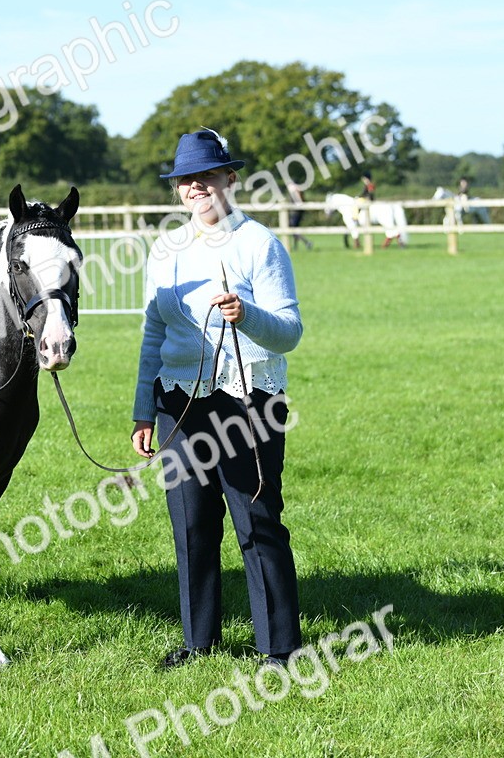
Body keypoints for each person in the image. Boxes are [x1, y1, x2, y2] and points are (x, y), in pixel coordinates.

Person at [131, 128, 303, 669]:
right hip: (178, 403)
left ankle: (279, 646)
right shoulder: (165, 251)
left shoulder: (260, 244)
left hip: (248, 400)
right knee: (190, 524)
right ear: (178, 190)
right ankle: (198, 641)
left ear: (230, 179)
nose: (197, 188)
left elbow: (291, 331)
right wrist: (142, 408)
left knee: (256, 519)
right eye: (187, 180)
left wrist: (246, 315)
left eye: (207, 176)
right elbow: (152, 334)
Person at [285, 182, 313, 251]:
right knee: (294, 230)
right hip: (296, 214)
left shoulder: (296, 192)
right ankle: (296, 247)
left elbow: (299, 203)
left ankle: (306, 242)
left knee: (293, 230)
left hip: (295, 214)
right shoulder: (298, 191)